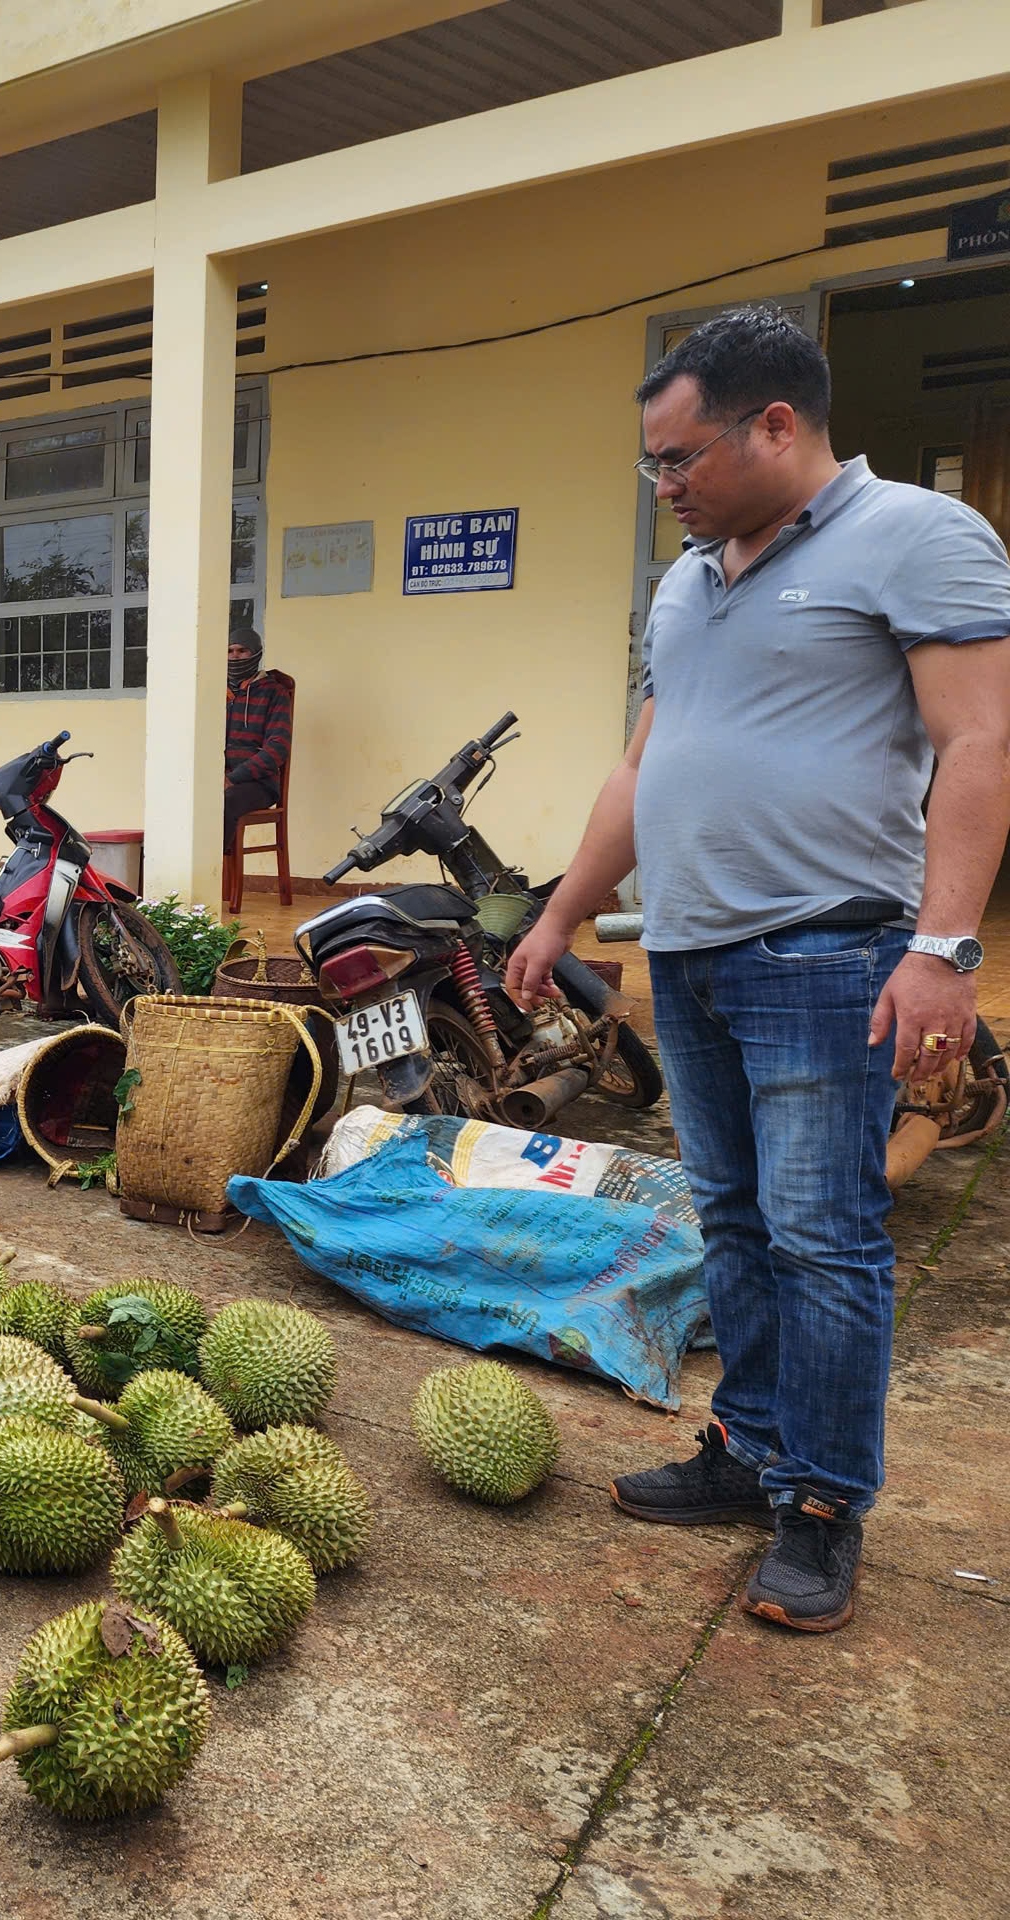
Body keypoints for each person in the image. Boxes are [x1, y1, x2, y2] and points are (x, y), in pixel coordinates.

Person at [505, 306, 1010, 1634]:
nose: (664, 489)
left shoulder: (918, 536)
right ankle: (749, 1451)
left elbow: (979, 743)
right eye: (652, 468)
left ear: (776, 425)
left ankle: (825, 1501)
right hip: (693, 953)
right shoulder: (687, 580)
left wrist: (944, 950)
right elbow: (638, 770)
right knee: (730, 1220)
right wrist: (560, 920)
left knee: (824, 1239)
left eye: (680, 461)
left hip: (828, 953)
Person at [222, 624, 293, 850]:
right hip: (216, 779)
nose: (235, 656)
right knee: (177, 799)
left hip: (258, 784)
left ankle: (216, 875)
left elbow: (278, 748)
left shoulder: (274, 692)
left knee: (223, 803)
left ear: (256, 654)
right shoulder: (214, 691)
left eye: (242, 651)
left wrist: (234, 778)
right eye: (230, 651)